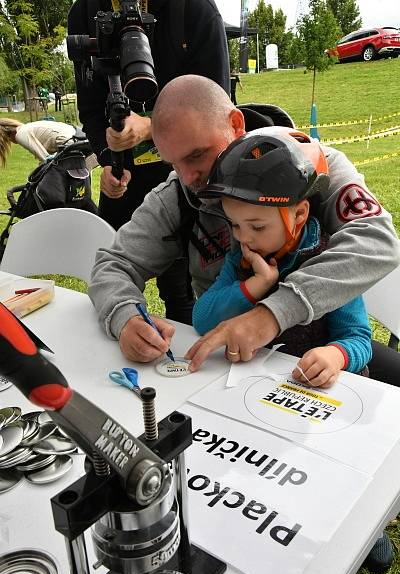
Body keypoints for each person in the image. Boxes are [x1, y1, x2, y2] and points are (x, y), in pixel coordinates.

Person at [88, 74, 400, 389]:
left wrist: (271, 315)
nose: (187, 177)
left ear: (236, 124)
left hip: (316, 369)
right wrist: (125, 317)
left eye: (196, 155)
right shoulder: (177, 196)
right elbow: (113, 265)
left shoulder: (311, 168)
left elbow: (377, 243)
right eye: (172, 162)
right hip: (226, 372)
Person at [68, 0, 230, 325]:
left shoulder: (195, 10)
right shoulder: (84, 13)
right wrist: (107, 155)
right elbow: (90, 107)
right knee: (114, 278)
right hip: (125, 177)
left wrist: (151, 127)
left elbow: (219, 104)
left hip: (187, 182)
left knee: (182, 295)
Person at [192, 127, 372, 388]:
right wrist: (255, 286)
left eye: (258, 227)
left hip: (317, 397)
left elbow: (358, 338)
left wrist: (336, 356)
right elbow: (202, 319)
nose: (244, 238)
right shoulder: (241, 260)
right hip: (259, 386)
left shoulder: (329, 261)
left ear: (299, 216)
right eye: (235, 224)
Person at [0, 118, 76, 166]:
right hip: (79, 138)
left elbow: (46, 159)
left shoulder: (20, 134)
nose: (11, 142)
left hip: (68, 143)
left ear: (7, 135)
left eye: (8, 140)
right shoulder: (29, 127)